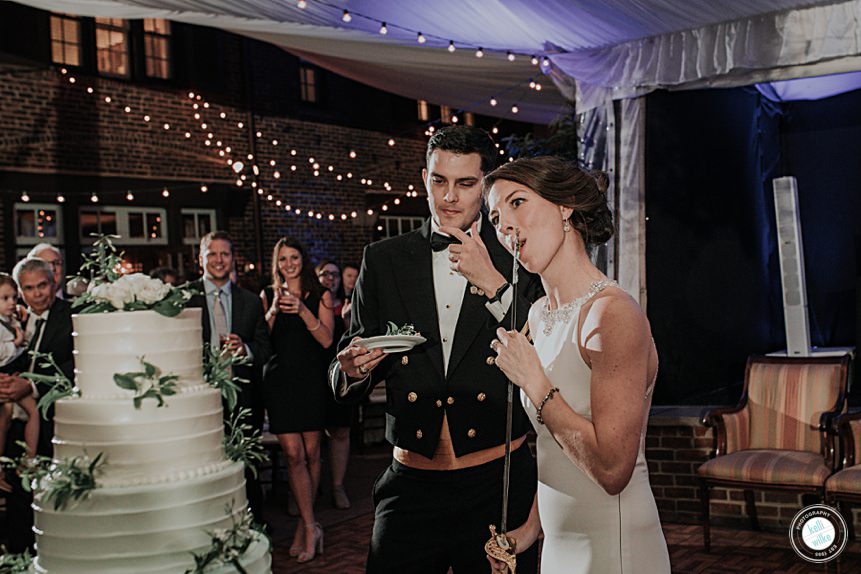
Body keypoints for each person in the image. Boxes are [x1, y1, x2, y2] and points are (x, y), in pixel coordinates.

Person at [330, 125, 544, 573]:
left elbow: (547, 352)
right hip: (410, 484)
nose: (448, 197)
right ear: (423, 178)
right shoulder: (383, 259)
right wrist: (351, 370)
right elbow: (348, 360)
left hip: (498, 483)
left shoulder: (521, 258)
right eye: (438, 181)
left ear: (486, 186)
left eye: (465, 184)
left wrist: (494, 285)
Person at [484, 156, 670, 573]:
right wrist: (530, 530)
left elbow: (612, 468)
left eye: (517, 203)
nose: (505, 225)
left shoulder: (611, 314)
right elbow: (555, 449)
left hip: (612, 546)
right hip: (558, 544)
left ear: (565, 205)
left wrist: (534, 383)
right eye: (495, 217)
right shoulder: (537, 315)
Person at [189, 231, 272, 526]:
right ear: (201, 259)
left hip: (242, 397)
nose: (219, 260)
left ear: (233, 259)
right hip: (198, 399)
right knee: (203, 466)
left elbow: (265, 349)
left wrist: (245, 349)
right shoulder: (185, 298)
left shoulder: (250, 301)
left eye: (224, 254)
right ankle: (210, 524)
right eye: (212, 254)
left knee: (245, 466)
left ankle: (252, 525)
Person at [261, 239, 335, 564]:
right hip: (280, 383)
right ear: (276, 263)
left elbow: (327, 340)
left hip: (311, 381)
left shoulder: (320, 294)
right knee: (293, 455)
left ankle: (307, 526)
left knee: (313, 452)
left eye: (294, 258)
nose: (288, 263)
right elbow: (263, 340)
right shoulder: (267, 295)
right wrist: (275, 309)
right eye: (283, 259)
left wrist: (303, 310)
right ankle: (308, 525)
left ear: (302, 260)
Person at [0, 257, 74, 552]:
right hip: (12, 423)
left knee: (49, 504)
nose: (37, 294)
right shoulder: (12, 318)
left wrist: (30, 385)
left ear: (53, 283)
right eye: (28, 288)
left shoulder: (70, 315)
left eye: (42, 285)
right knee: (17, 503)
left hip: (50, 424)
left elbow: (75, 365)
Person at [315, 260, 354, 510]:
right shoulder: (312, 303)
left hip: (339, 376)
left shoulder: (348, 304)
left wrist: (348, 320)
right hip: (315, 374)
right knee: (314, 433)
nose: (331, 278)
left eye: (335, 275)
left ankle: (337, 486)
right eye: (325, 274)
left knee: (340, 431)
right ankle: (312, 485)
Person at [0, 274, 38, 493]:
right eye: (5, 298)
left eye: (14, 297)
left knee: (31, 412)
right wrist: (16, 343)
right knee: (3, 419)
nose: (12, 302)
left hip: (16, 374)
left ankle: (29, 459)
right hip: (6, 374)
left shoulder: (11, 320)